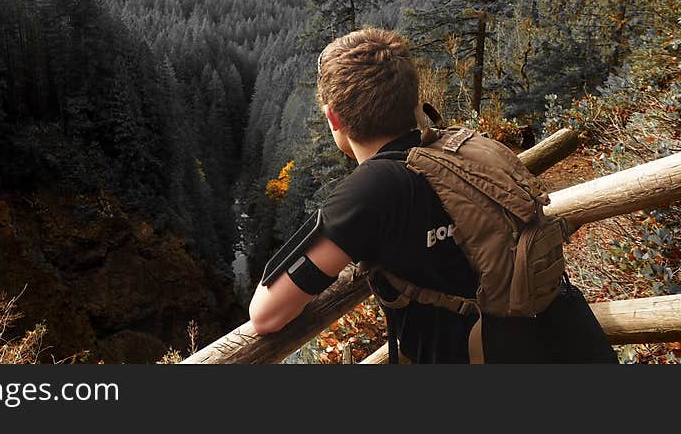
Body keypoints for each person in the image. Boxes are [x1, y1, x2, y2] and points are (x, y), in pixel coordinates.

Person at [248, 27, 617, 363]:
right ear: (412, 100)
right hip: (571, 343)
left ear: (333, 118)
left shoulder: (370, 190)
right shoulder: (468, 148)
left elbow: (266, 314)